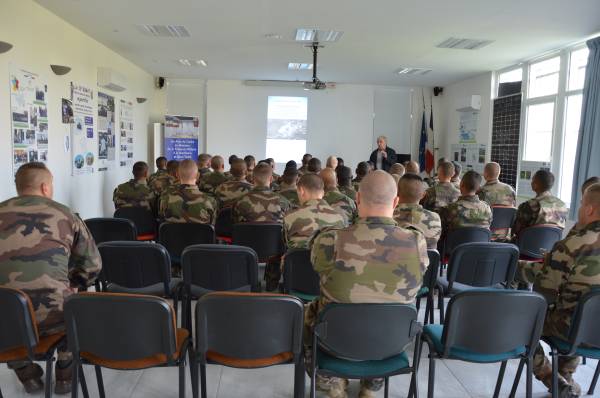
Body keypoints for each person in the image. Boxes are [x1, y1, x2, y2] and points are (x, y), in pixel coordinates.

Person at [305, 171, 428, 398]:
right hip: (392, 345)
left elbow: (317, 268)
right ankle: (371, 387)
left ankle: (331, 381)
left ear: (358, 199)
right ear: (395, 202)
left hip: (335, 343)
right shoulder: (416, 241)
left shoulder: (329, 240)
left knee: (309, 310)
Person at [0, 162, 101, 394]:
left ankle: (25, 372)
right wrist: (74, 285)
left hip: (6, 320)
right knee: (74, 300)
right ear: (45, 187)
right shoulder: (65, 214)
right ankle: (65, 371)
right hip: (52, 317)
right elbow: (93, 265)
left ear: (19, 188)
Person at [516, 183, 600, 397]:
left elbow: (544, 297)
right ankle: (566, 377)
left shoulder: (572, 246)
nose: (580, 209)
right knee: (581, 309)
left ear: (589, 209)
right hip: (594, 327)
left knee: (521, 322)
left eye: (581, 204)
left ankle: (551, 378)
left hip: (575, 328)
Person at [265, 174, 346, 290]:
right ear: (322, 192)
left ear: (301, 191)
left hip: (296, 278)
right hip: (329, 281)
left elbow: (285, 247)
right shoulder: (340, 217)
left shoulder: (290, 217)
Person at [159, 159, 218, 224]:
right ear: (198, 176)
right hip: (200, 234)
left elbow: (162, 225)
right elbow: (212, 227)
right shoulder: (210, 201)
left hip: (172, 234)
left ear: (177, 175)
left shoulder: (165, 200)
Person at [512, 170, 568, 239]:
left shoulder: (529, 205)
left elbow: (516, 230)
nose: (531, 183)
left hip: (527, 245)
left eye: (532, 180)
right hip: (551, 247)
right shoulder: (562, 205)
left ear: (536, 185)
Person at [394, 174, 442, 249]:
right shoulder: (435, 218)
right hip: (428, 260)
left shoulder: (388, 217)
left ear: (397, 192)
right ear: (423, 195)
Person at [477, 162, 516, 240]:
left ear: (485, 174)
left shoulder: (481, 192)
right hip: (504, 236)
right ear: (499, 173)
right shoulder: (510, 190)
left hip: (485, 235)